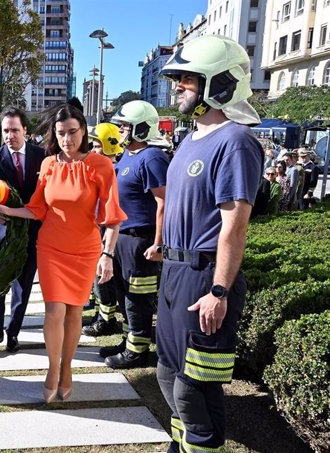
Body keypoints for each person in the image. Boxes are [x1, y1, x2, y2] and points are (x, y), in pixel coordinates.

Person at [157, 35, 264, 453]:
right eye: (179, 79)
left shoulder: (235, 141)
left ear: (218, 84)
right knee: (167, 375)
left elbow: (234, 226)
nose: (178, 86)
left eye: (187, 79)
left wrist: (218, 291)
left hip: (204, 280)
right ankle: (182, 446)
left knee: (192, 388)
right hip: (174, 273)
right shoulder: (189, 139)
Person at [0, 103, 125, 403]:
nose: (67, 140)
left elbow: (113, 216)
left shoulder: (100, 166)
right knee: (54, 310)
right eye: (61, 134)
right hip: (50, 248)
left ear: (84, 130)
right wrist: (6, 210)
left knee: (75, 312)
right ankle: (52, 369)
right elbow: (37, 208)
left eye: (72, 132)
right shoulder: (48, 165)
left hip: (85, 250)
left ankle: (67, 369)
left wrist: (108, 255)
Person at [98, 101, 168, 369]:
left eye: (125, 125)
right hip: (121, 237)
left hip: (141, 239)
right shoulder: (128, 155)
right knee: (124, 293)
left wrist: (158, 243)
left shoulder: (152, 157)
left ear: (141, 127)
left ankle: (137, 352)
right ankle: (128, 342)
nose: (120, 130)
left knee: (138, 297)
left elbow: (164, 202)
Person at [0, 106, 45, 354]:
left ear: (25, 131)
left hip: (31, 234)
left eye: (15, 130)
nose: (10, 135)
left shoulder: (42, 157)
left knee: (23, 287)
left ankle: (13, 333)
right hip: (0, 234)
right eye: (6, 130)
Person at [83, 123, 124, 337]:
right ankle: (101, 314)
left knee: (103, 277)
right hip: (95, 227)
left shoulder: (115, 171)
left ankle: (106, 320)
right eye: (93, 146)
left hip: (108, 229)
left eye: (98, 146)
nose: (94, 150)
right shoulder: (98, 169)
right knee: (94, 276)